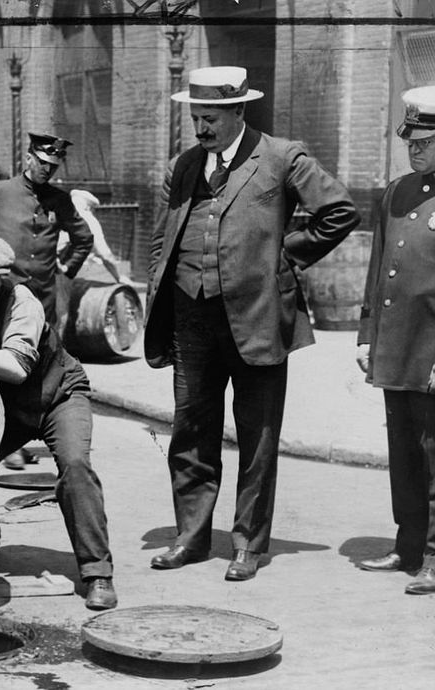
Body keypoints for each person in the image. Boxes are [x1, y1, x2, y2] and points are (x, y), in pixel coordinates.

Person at [145, 66, 360, 581]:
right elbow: (163, 236)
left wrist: (285, 258)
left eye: (211, 117)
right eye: (196, 117)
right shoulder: (185, 164)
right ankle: (191, 538)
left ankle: (248, 543)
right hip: (191, 317)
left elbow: (339, 211)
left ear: (239, 110)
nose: (202, 127)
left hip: (258, 316)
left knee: (258, 436)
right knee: (190, 430)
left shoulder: (283, 156)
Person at [0, 232, 117, 610]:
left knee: (75, 467)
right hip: (7, 407)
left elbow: (15, 367)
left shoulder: (21, 301)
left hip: (57, 394)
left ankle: (97, 573)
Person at [356, 85, 435, 595]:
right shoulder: (397, 191)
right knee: (404, 450)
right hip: (398, 346)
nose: (416, 149)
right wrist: (367, 335)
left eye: (427, 141)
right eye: (411, 140)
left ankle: (434, 555)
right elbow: (377, 268)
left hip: (433, 351)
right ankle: (408, 545)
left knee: (434, 454)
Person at [0, 132, 94, 331]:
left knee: (43, 353)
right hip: (1, 297)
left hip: (42, 299)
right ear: (28, 159)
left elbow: (84, 238)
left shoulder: (60, 200)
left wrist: (68, 269)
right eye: (42, 162)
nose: (48, 170)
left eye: (53, 165)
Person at [60, 189, 131, 285]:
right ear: (88, 207)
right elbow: (104, 253)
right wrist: (118, 276)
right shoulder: (89, 221)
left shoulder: (60, 216)